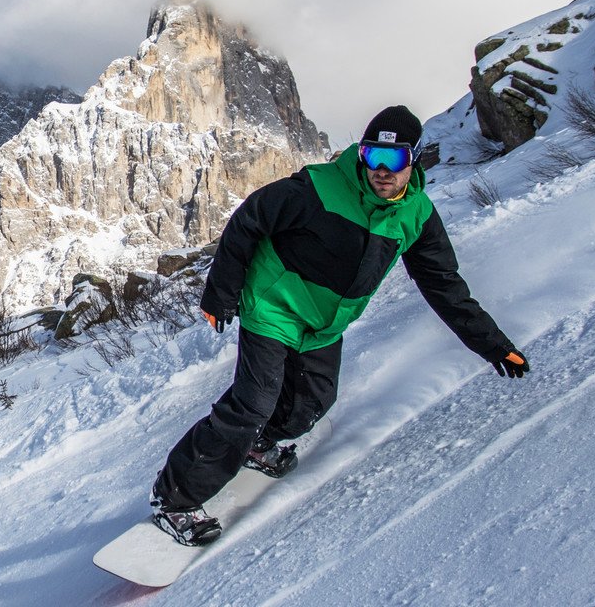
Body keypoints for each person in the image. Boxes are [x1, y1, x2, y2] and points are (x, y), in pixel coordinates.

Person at [149, 105, 528, 546]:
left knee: (312, 404)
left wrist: (492, 344)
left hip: (323, 324)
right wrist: (221, 292)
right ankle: (173, 498)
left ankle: (258, 444)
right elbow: (250, 218)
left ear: (415, 160)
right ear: (361, 154)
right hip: (273, 306)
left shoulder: (417, 216)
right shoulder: (319, 188)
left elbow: (444, 285)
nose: (381, 172)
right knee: (253, 403)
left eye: (395, 161)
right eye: (372, 157)